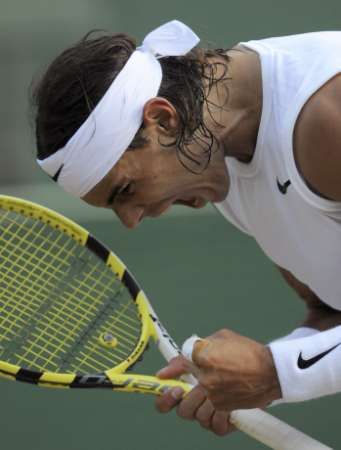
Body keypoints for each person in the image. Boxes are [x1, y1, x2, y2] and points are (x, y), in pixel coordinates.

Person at [31, 20, 341, 436]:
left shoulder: (329, 114)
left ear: (163, 119)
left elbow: (293, 368)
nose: (132, 220)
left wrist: (276, 372)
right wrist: (246, 380)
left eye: (125, 190)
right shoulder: (215, 157)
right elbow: (331, 312)